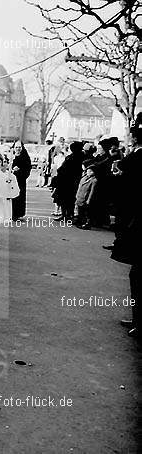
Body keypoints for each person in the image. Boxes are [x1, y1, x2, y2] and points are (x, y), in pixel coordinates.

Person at [111, 115, 142, 337]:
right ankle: (137, 319)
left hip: (138, 220)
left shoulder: (138, 158)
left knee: (138, 274)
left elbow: (130, 191)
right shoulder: (135, 156)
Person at [52, 141, 85, 221]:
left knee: (69, 199)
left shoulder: (77, 157)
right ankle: (65, 215)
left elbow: (68, 168)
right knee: (64, 199)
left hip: (70, 181)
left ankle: (68, 215)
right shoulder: (73, 156)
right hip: (65, 181)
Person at [11, 141, 32, 220]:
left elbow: (28, 168)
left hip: (20, 180)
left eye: (19, 147)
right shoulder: (11, 155)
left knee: (19, 197)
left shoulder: (25, 156)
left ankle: (17, 214)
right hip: (11, 180)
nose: (18, 149)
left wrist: (19, 170)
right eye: (16, 147)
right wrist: (12, 169)